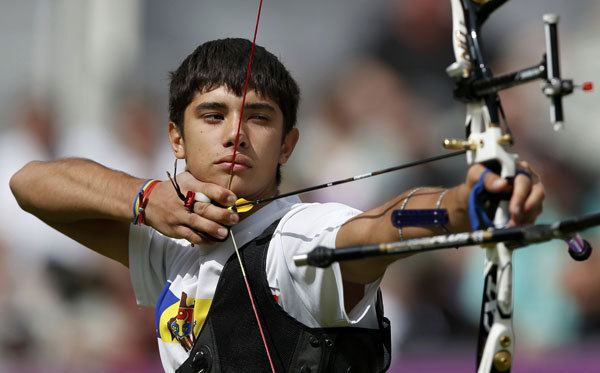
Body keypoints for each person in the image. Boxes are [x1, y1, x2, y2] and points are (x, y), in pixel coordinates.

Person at [9, 38, 544, 373]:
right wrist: (145, 200)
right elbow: (31, 183)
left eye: (260, 118)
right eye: (213, 115)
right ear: (176, 137)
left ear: (288, 145)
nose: (236, 134)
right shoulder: (178, 241)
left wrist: (462, 204)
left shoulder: (298, 239)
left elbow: (375, 229)